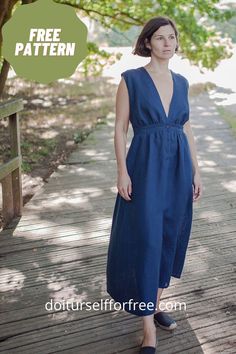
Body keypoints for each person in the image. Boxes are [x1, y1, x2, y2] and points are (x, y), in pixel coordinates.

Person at [106, 16, 202, 354]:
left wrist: (196, 170)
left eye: (171, 38)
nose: (167, 43)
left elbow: (186, 128)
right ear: (147, 43)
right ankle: (148, 330)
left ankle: (154, 303)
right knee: (145, 238)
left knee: (167, 237)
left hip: (178, 169)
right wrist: (122, 172)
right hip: (144, 168)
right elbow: (119, 128)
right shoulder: (130, 80)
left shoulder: (183, 82)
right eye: (159, 38)